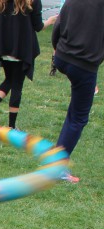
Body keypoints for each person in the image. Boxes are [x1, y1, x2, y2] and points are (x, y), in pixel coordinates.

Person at [51, 0, 104, 184]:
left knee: (75, 111)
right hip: (83, 64)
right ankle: (58, 167)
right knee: (79, 117)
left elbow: (58, 23)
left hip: (63, 57)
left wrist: (56, 49)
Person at [0, 0, 56, 129]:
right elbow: (38, 26)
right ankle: (11, 126)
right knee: (17, 85)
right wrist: (50, 21)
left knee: (9, 79)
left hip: (4, 48)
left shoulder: (0, 1)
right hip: (22, 50)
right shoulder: (32, 2)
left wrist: (0, 23)